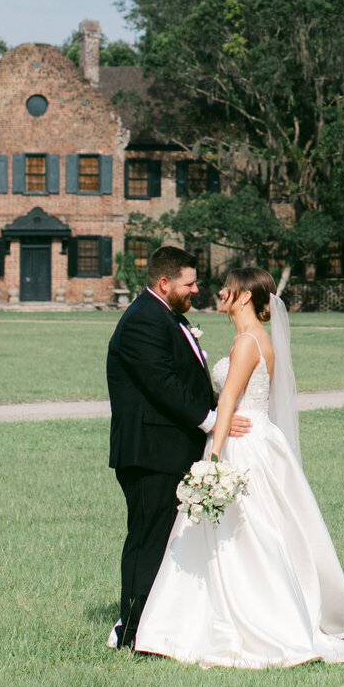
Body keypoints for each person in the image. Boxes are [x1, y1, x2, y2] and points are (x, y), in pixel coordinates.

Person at [132, 263, 344, 668]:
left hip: (240, 445)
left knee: (245, 535)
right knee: (259, 530)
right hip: (261, 440)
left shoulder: (245, 344)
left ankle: (248, 617)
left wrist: (212, 462)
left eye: (227, 288)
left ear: (245, 295)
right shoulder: (259, 340)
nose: (218, 292)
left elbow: (229, 402)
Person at [106, 244, 249, 650]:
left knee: (164, 539)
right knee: (148, 539)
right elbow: (162, 384)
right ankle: (133, 632)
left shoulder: (164, 317)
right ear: (164, 282)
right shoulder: (142, 321)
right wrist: (211, 420)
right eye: (189, 283)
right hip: (149, 452)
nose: (196, 289)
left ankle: (154, 624)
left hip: (167, 449)